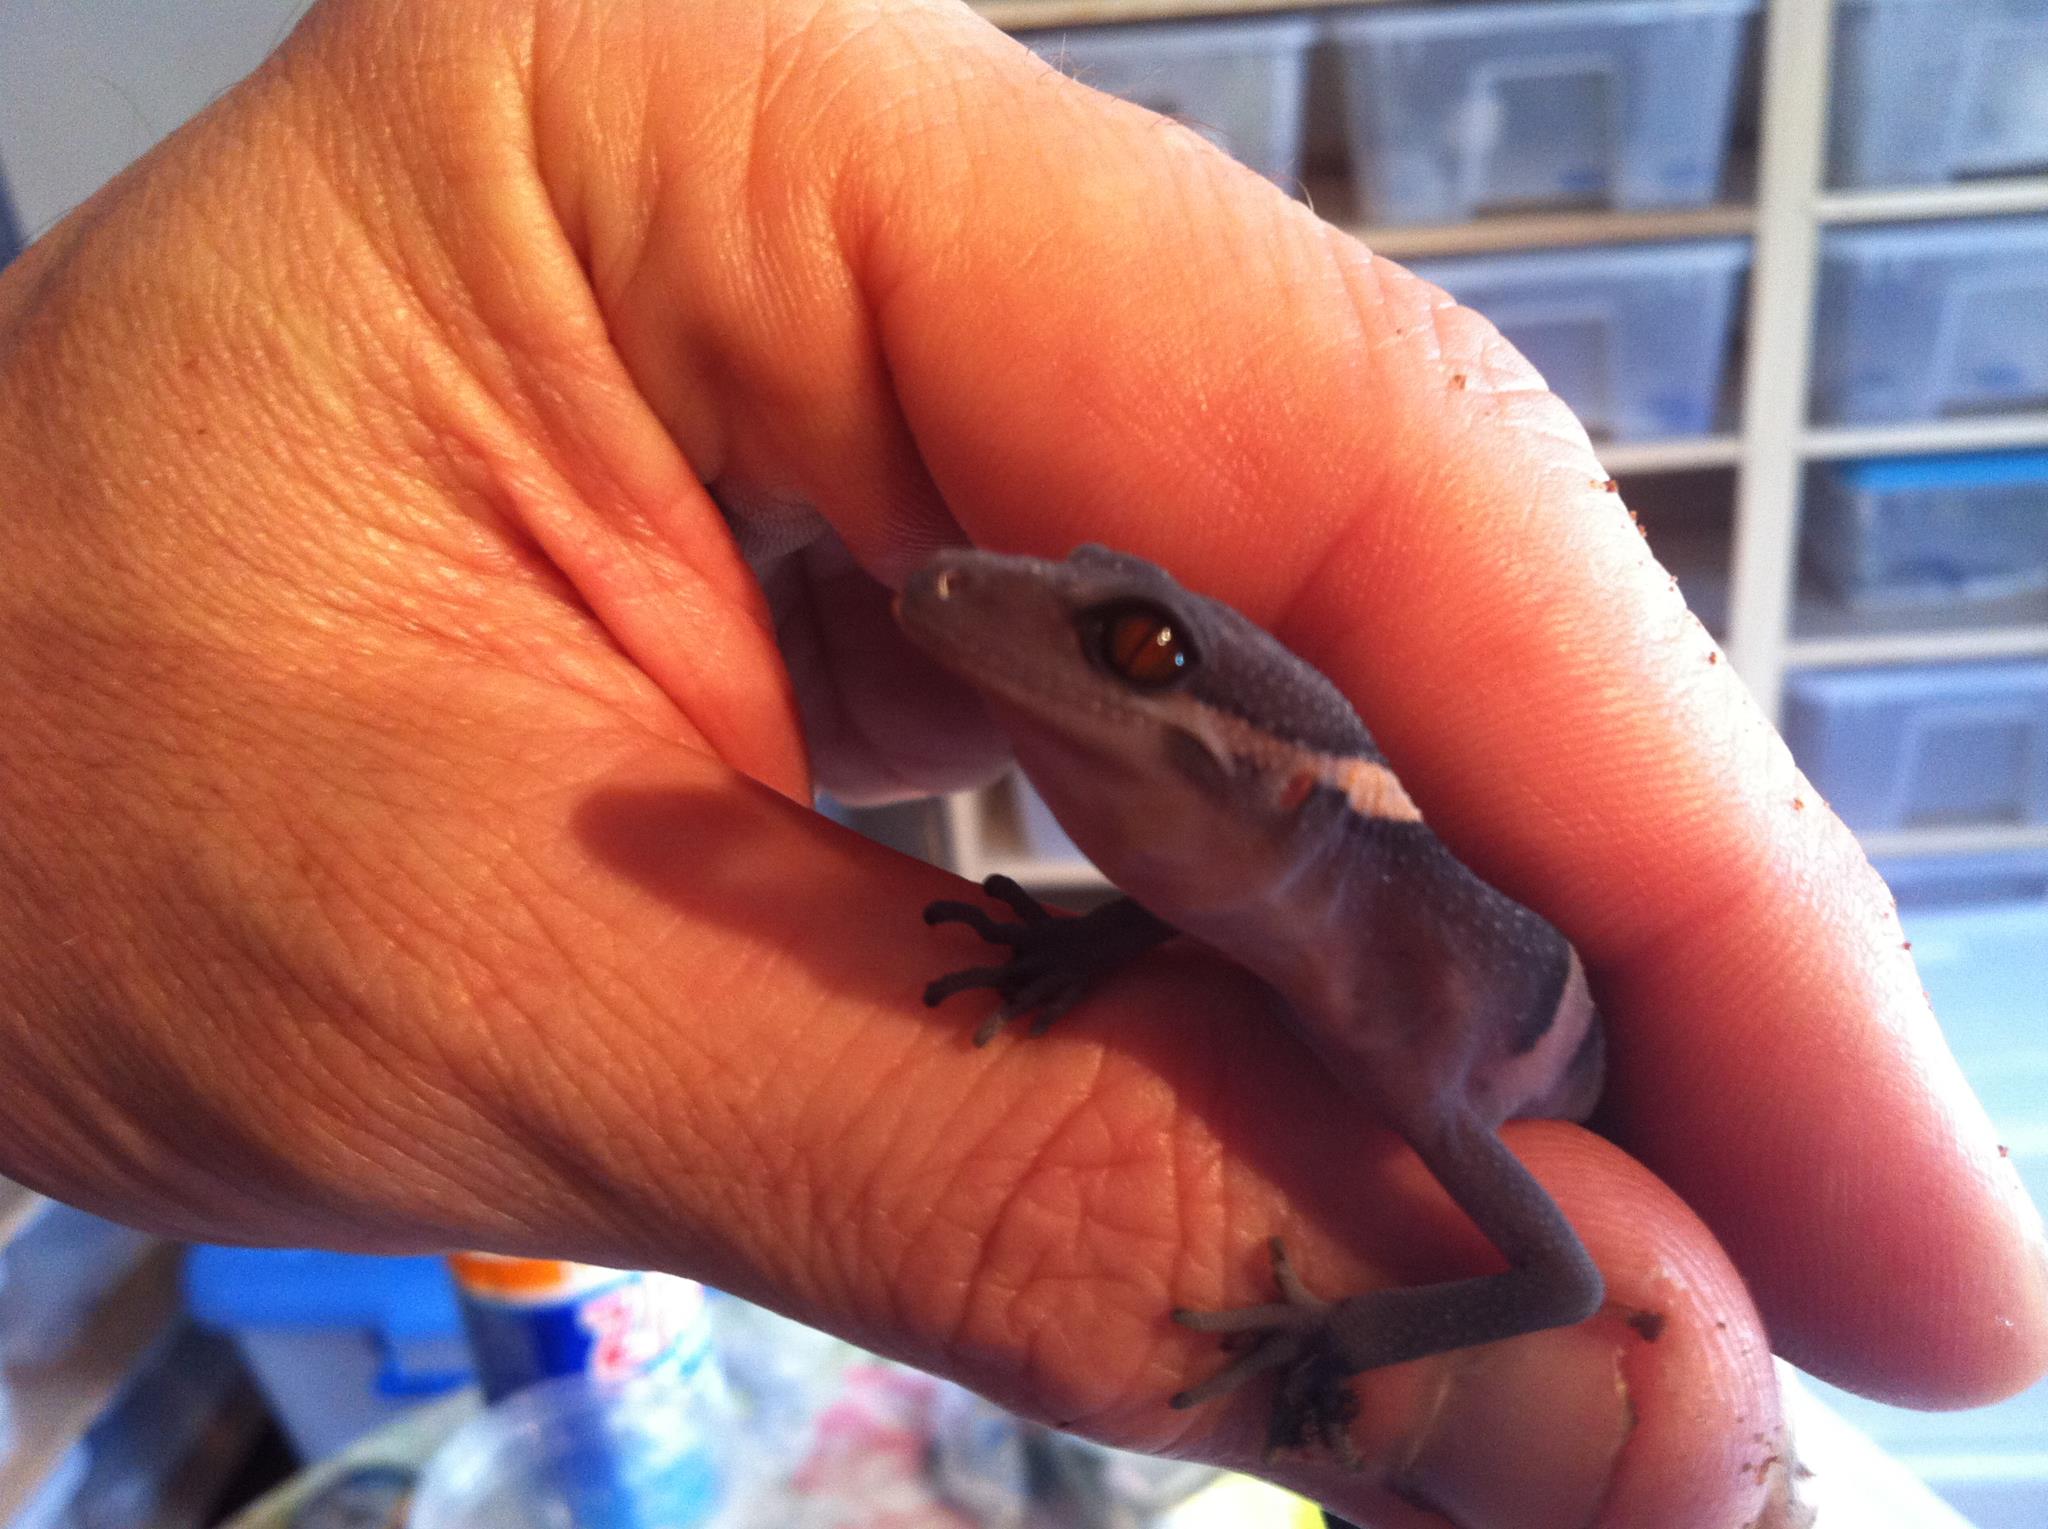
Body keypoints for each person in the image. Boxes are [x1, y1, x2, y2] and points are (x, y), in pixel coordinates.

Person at [0, 1, 2040, 1523]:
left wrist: (1339, 1340)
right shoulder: (1278, 907)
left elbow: (1563, 1272)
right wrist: (1084, 951)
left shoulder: (1428, 1010)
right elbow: (1219, 946)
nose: (973, 598)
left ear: (1277, 773)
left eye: (1132, 646)